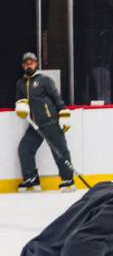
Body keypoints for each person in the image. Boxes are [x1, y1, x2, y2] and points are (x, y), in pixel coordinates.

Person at [15, 52, 75, 192]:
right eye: (26, 63)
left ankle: (68, 179)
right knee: (25, 149)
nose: (29, 65)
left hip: (50, 122)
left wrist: (64, 116)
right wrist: (20, 107)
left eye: (31, 62)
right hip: (34, 125)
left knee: (60, 151)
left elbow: (56, 98)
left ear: (36, 64)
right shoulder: (20, 84)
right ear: (23, 65)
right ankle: (31, 178)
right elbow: (19, 101)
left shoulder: (45, 80)